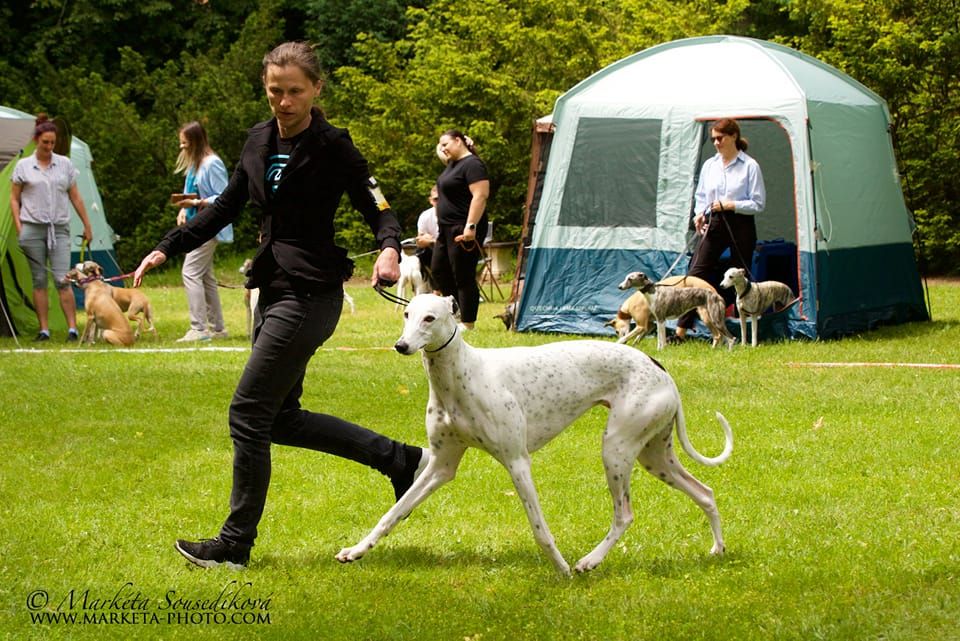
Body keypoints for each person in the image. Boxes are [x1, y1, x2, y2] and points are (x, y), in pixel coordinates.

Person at [133, 41, 428, 569]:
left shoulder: (333, 146)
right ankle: (400, 460)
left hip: (311, 293)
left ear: (315, 89)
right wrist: (166, 246)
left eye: (295, 91)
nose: (284, 101)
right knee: (279, 418)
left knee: (248, 411)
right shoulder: (257, 141)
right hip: (270, 287)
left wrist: (389, 247)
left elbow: (377, 204)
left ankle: (233, 546)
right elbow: (225, 207)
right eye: (275, 91)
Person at [675, 118, 765, 342]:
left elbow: (758, 203)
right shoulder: (710, 165)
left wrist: (731, 205)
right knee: (695, 273)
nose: (715, 142)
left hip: (740, 223)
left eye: (720, 138)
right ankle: (681, 330)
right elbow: (701, 196)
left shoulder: (750, 166)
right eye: (713, 138)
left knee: (740, 277)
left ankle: (743, 330)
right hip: (714, 221)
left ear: (733, 136)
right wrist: (698, 215)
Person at [9, 115, 93, 342]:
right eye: (45, 142)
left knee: (62, 279)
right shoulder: (23, 166)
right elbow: (14, 199)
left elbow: (75, 197)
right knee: (38, 280)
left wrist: (87, 224)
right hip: (32, 229)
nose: (49, 147)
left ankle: (73, 330)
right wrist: (19, 227)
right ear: (36, 140)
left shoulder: (64, 164)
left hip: (59, 229)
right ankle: (44, 330)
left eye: (52, 143)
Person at [173, 121, 231, 342]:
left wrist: (198, 202)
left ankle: (198, 328)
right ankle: (218, 328)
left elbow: (224, 197)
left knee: (190, 272)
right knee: (206, 277)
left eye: (185, 143)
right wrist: (182, 211)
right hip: (196, 225)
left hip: (208, 226)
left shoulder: (212, 164)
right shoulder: (195, 165)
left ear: (195, 142)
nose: (182, 148)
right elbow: (190, 192)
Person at [432, 130, 490, 330]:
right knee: (439, 269)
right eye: (441, 146)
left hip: (464, 227)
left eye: (446, 144)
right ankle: (454, 315)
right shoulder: (452, 165)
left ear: (458, 141)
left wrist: (471, 226)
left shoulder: (473, 164)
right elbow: (443, 151)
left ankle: (468, 322)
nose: (443, 149)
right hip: (445, 228)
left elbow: (480, 195)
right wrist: (449, 147)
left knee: (463, 274)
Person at [415, 184, 439, 289]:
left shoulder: (455, 214)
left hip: (451, 249)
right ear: (430, 200)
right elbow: (419, 241)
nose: (439, 202)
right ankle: (435, 289)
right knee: (423, 253)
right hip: (433, 250)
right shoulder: (425, 216)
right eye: (436, 199)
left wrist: (432, 240)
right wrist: (430, 241)